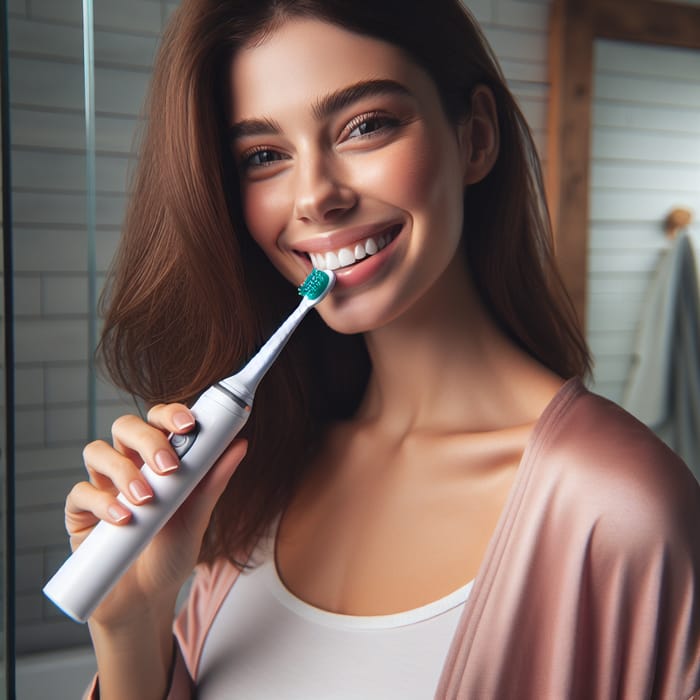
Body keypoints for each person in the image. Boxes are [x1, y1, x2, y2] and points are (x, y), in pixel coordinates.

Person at [66, 1, 700, 698]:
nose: (315, 196)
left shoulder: (620, 510)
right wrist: (132, 623)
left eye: (366, 125)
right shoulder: (261, 476)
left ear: (476, 137)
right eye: (265, 156)